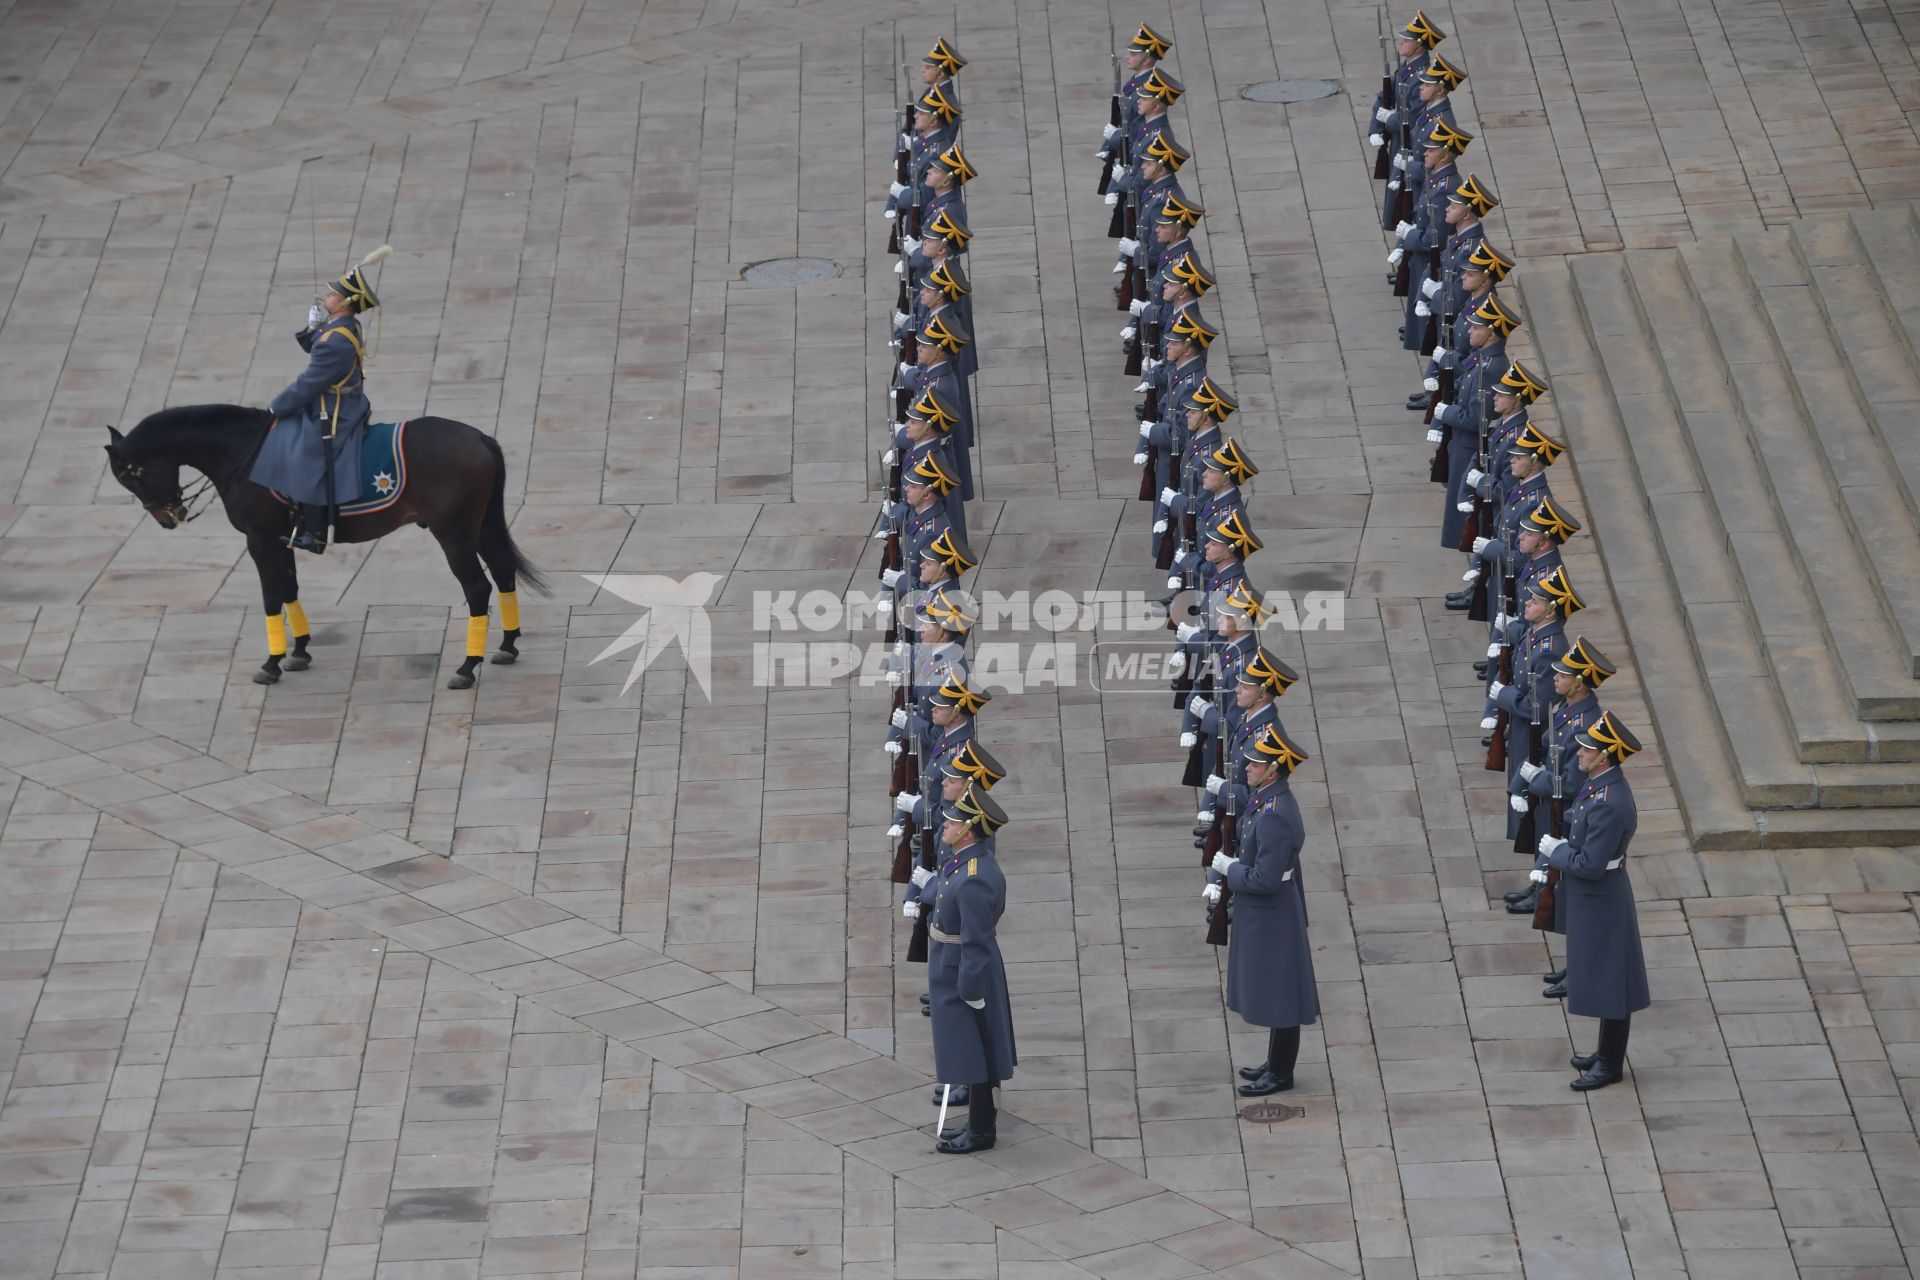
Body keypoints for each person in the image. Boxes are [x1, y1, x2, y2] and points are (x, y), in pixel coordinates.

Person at [1534, 711, 1651, 1091]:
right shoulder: (1599, 787)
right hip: (1596, 899)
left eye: (1587, 749)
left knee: (1612, 983)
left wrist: (1557, 853)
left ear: (1605, 756)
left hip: (1602, 900)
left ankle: (1611, 1064)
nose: (1579, 752)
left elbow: (1590, 863)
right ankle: (1604, 1054)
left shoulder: (1607, 800)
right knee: (1604, 980)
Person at [1208, 722, 1319, 1096]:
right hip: (1269, 913)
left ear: (1273, 769)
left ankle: (1281, 1074)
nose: (1247, 768)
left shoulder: (1273, 813)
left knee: (1282, 996)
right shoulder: (1266, 798)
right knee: (1277, 993)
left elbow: (1264, 879)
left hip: (1273, 915)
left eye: (1255, 764)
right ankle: (1274, 1064)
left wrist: (1231, 869)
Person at [254, 252, 388, 553]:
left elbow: (309, 383)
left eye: (331, 294)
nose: (326, 296)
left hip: (335, 410)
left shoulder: (336, 340)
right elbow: (317, 345)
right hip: (339, 399)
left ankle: (314, 531)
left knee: (307, 452)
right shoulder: (341, 328)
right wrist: (312, 328)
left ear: (345, 302)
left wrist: (277, 405)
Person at [925, 782, 1018, 1152]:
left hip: (966, 971)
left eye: (951, 822)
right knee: (969, 1051)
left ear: (969, 829)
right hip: (953, 965)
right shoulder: (964, 863)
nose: (944, 826)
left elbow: (976, 941)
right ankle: (977, 1125)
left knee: (980, 1056)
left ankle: (981, 1131)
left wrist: (971, 990)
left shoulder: (975, 876)